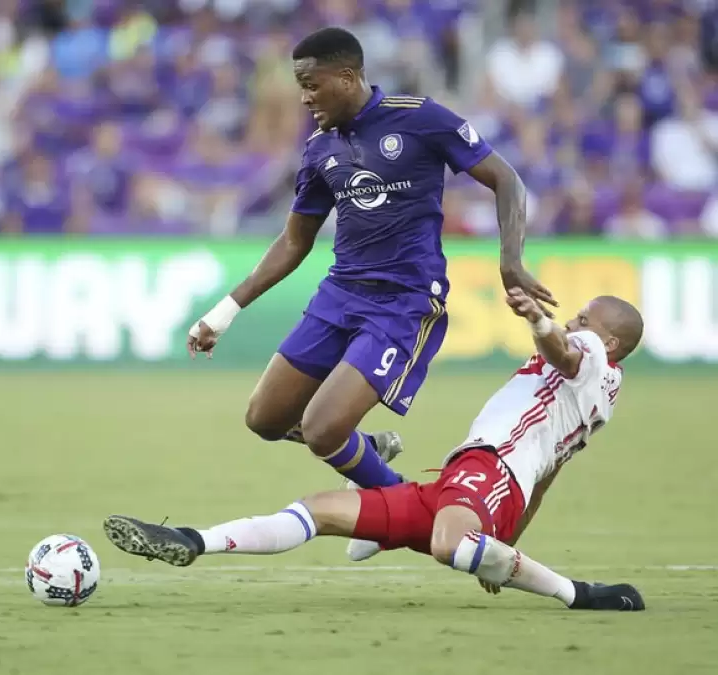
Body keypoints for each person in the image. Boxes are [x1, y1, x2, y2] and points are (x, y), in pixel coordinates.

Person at [105, 289, 645, 612]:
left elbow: (563, 351)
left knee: (450, 546)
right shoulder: (593, 397)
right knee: (318, 510)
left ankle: (578, 594)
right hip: (472, 481)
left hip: (490, 473)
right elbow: (545, 478)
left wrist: (539, 320)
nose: (574, 323)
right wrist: (503, 546)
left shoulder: (590, 358)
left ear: (609, 343)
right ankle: (193, 540)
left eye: (583, 320)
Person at [185, 27, 556, 495]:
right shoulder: (320, 148)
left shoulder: (420, 118)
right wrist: (224, 311)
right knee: (265, 418)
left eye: (311, 85)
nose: (304, 98)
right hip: (340, 294)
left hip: (404, 300)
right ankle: (365, 450)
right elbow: (294, 241)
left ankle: (405, 509)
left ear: (347, 77)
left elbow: (506, 179)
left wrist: (510, 261)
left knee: (322, 430)